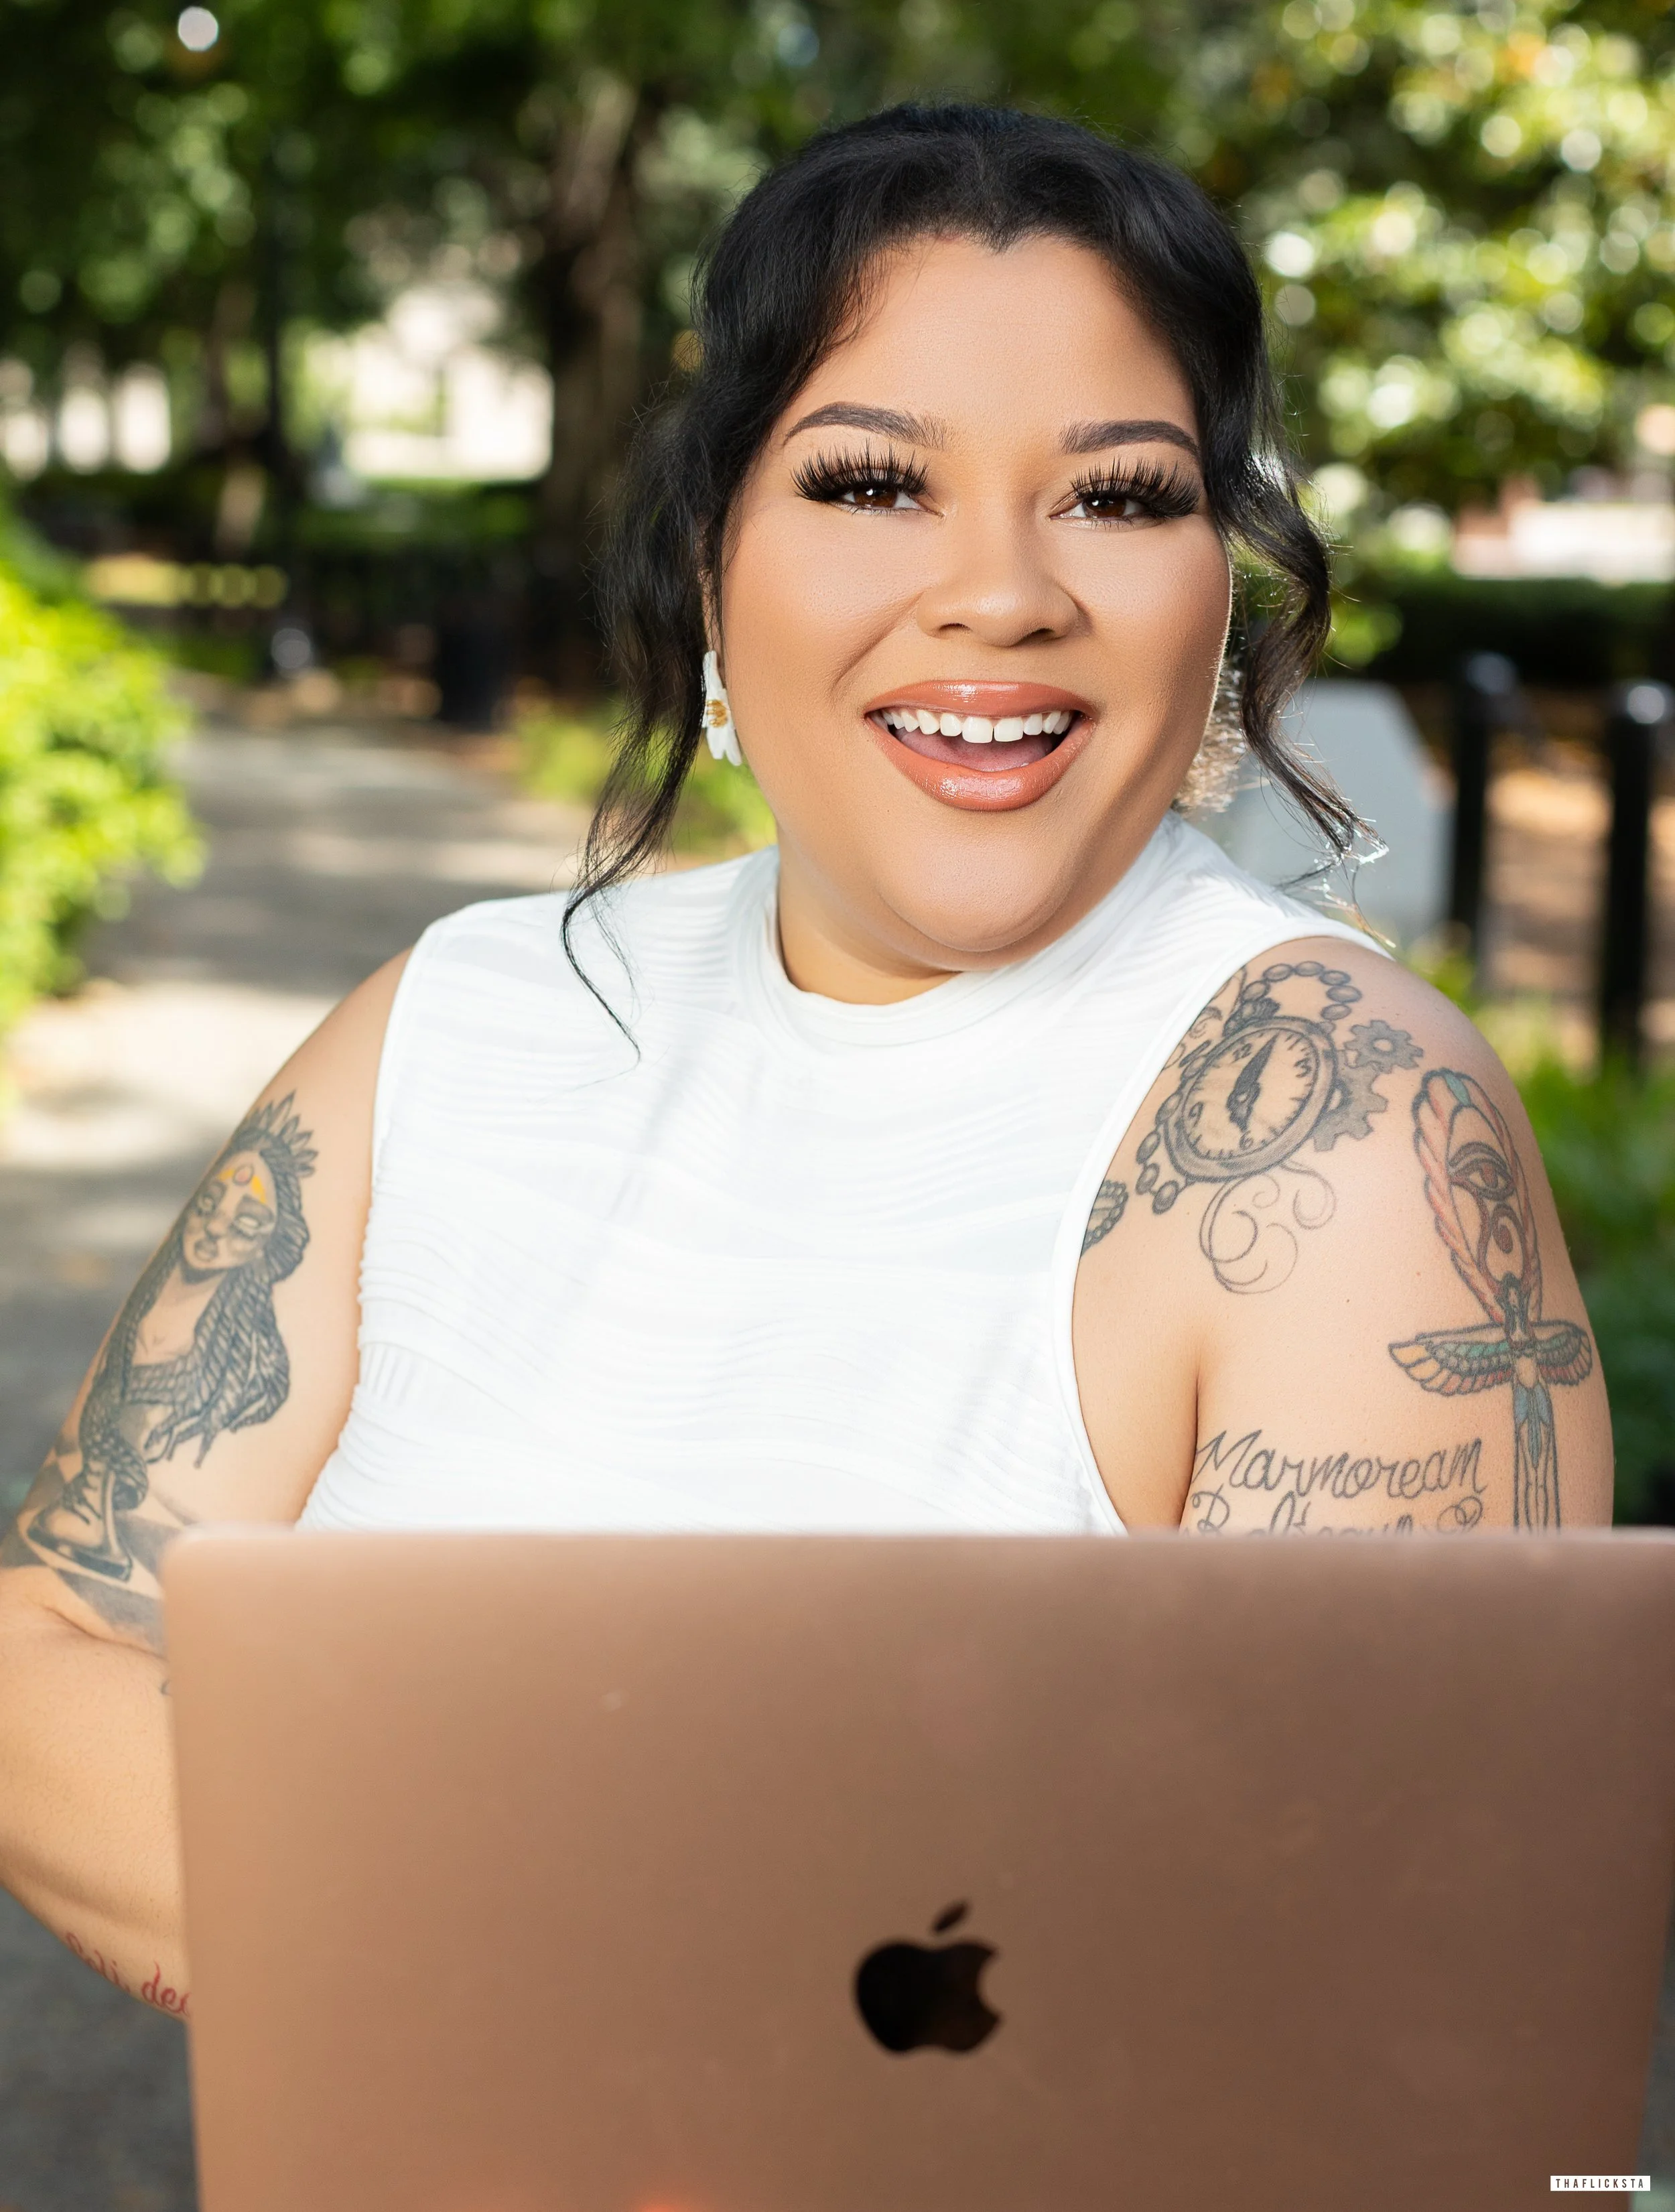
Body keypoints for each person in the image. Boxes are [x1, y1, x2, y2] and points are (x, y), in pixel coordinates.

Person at [0, 104, 1611, 2016]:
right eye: (869, 483)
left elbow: (1381, 2019)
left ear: (1225, 586)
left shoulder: (1327, 1130)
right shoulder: (459, 1019)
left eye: (1118, 495)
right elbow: (54, 1649)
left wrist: (521, 1955)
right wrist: (603, 1976)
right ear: (708, 557)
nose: (1003, 590)